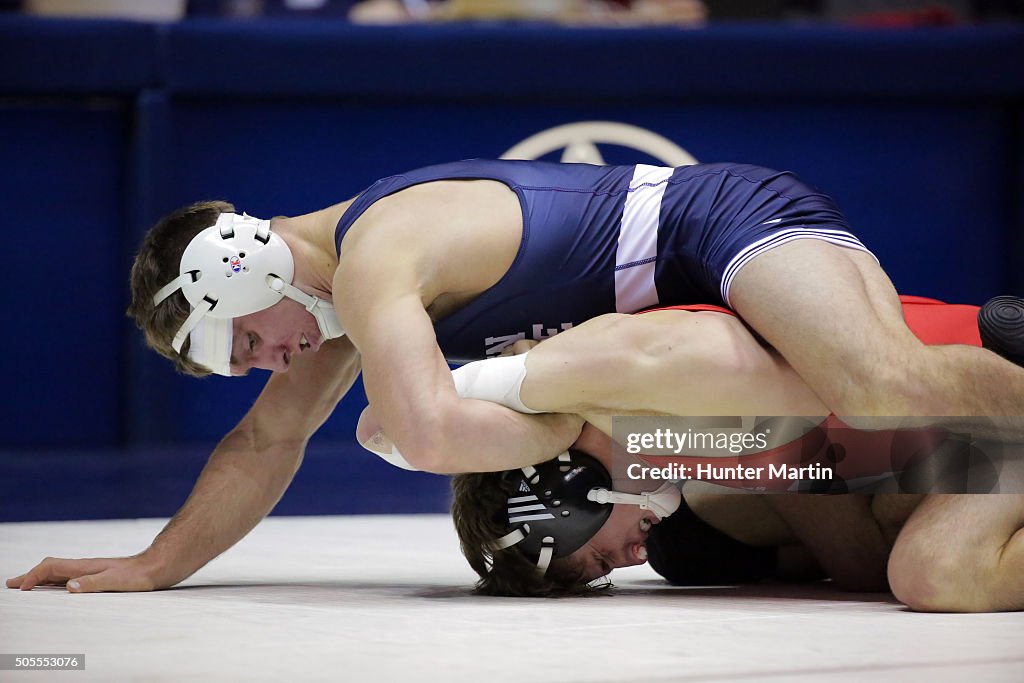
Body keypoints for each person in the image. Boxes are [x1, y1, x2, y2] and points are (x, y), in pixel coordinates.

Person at [8, 158, 1024, 595]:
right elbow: (264, 445)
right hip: (695, 301)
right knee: (815, 472)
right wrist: (151, 564)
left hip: (718, 220)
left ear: (241, 267)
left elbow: (436, 435)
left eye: (244, 345)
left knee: (883, 383)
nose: (262, 368)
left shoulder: (374, 261)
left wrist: (580, 436)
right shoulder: (339, 307)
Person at [434, 300, 1024, 610]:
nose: (636, 556)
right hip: (969, 421)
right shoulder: (665, 442)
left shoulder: (671, 412)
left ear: (567, 501)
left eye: (605, 558)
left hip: (999, 390)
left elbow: (858, 559)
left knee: (935, 572)